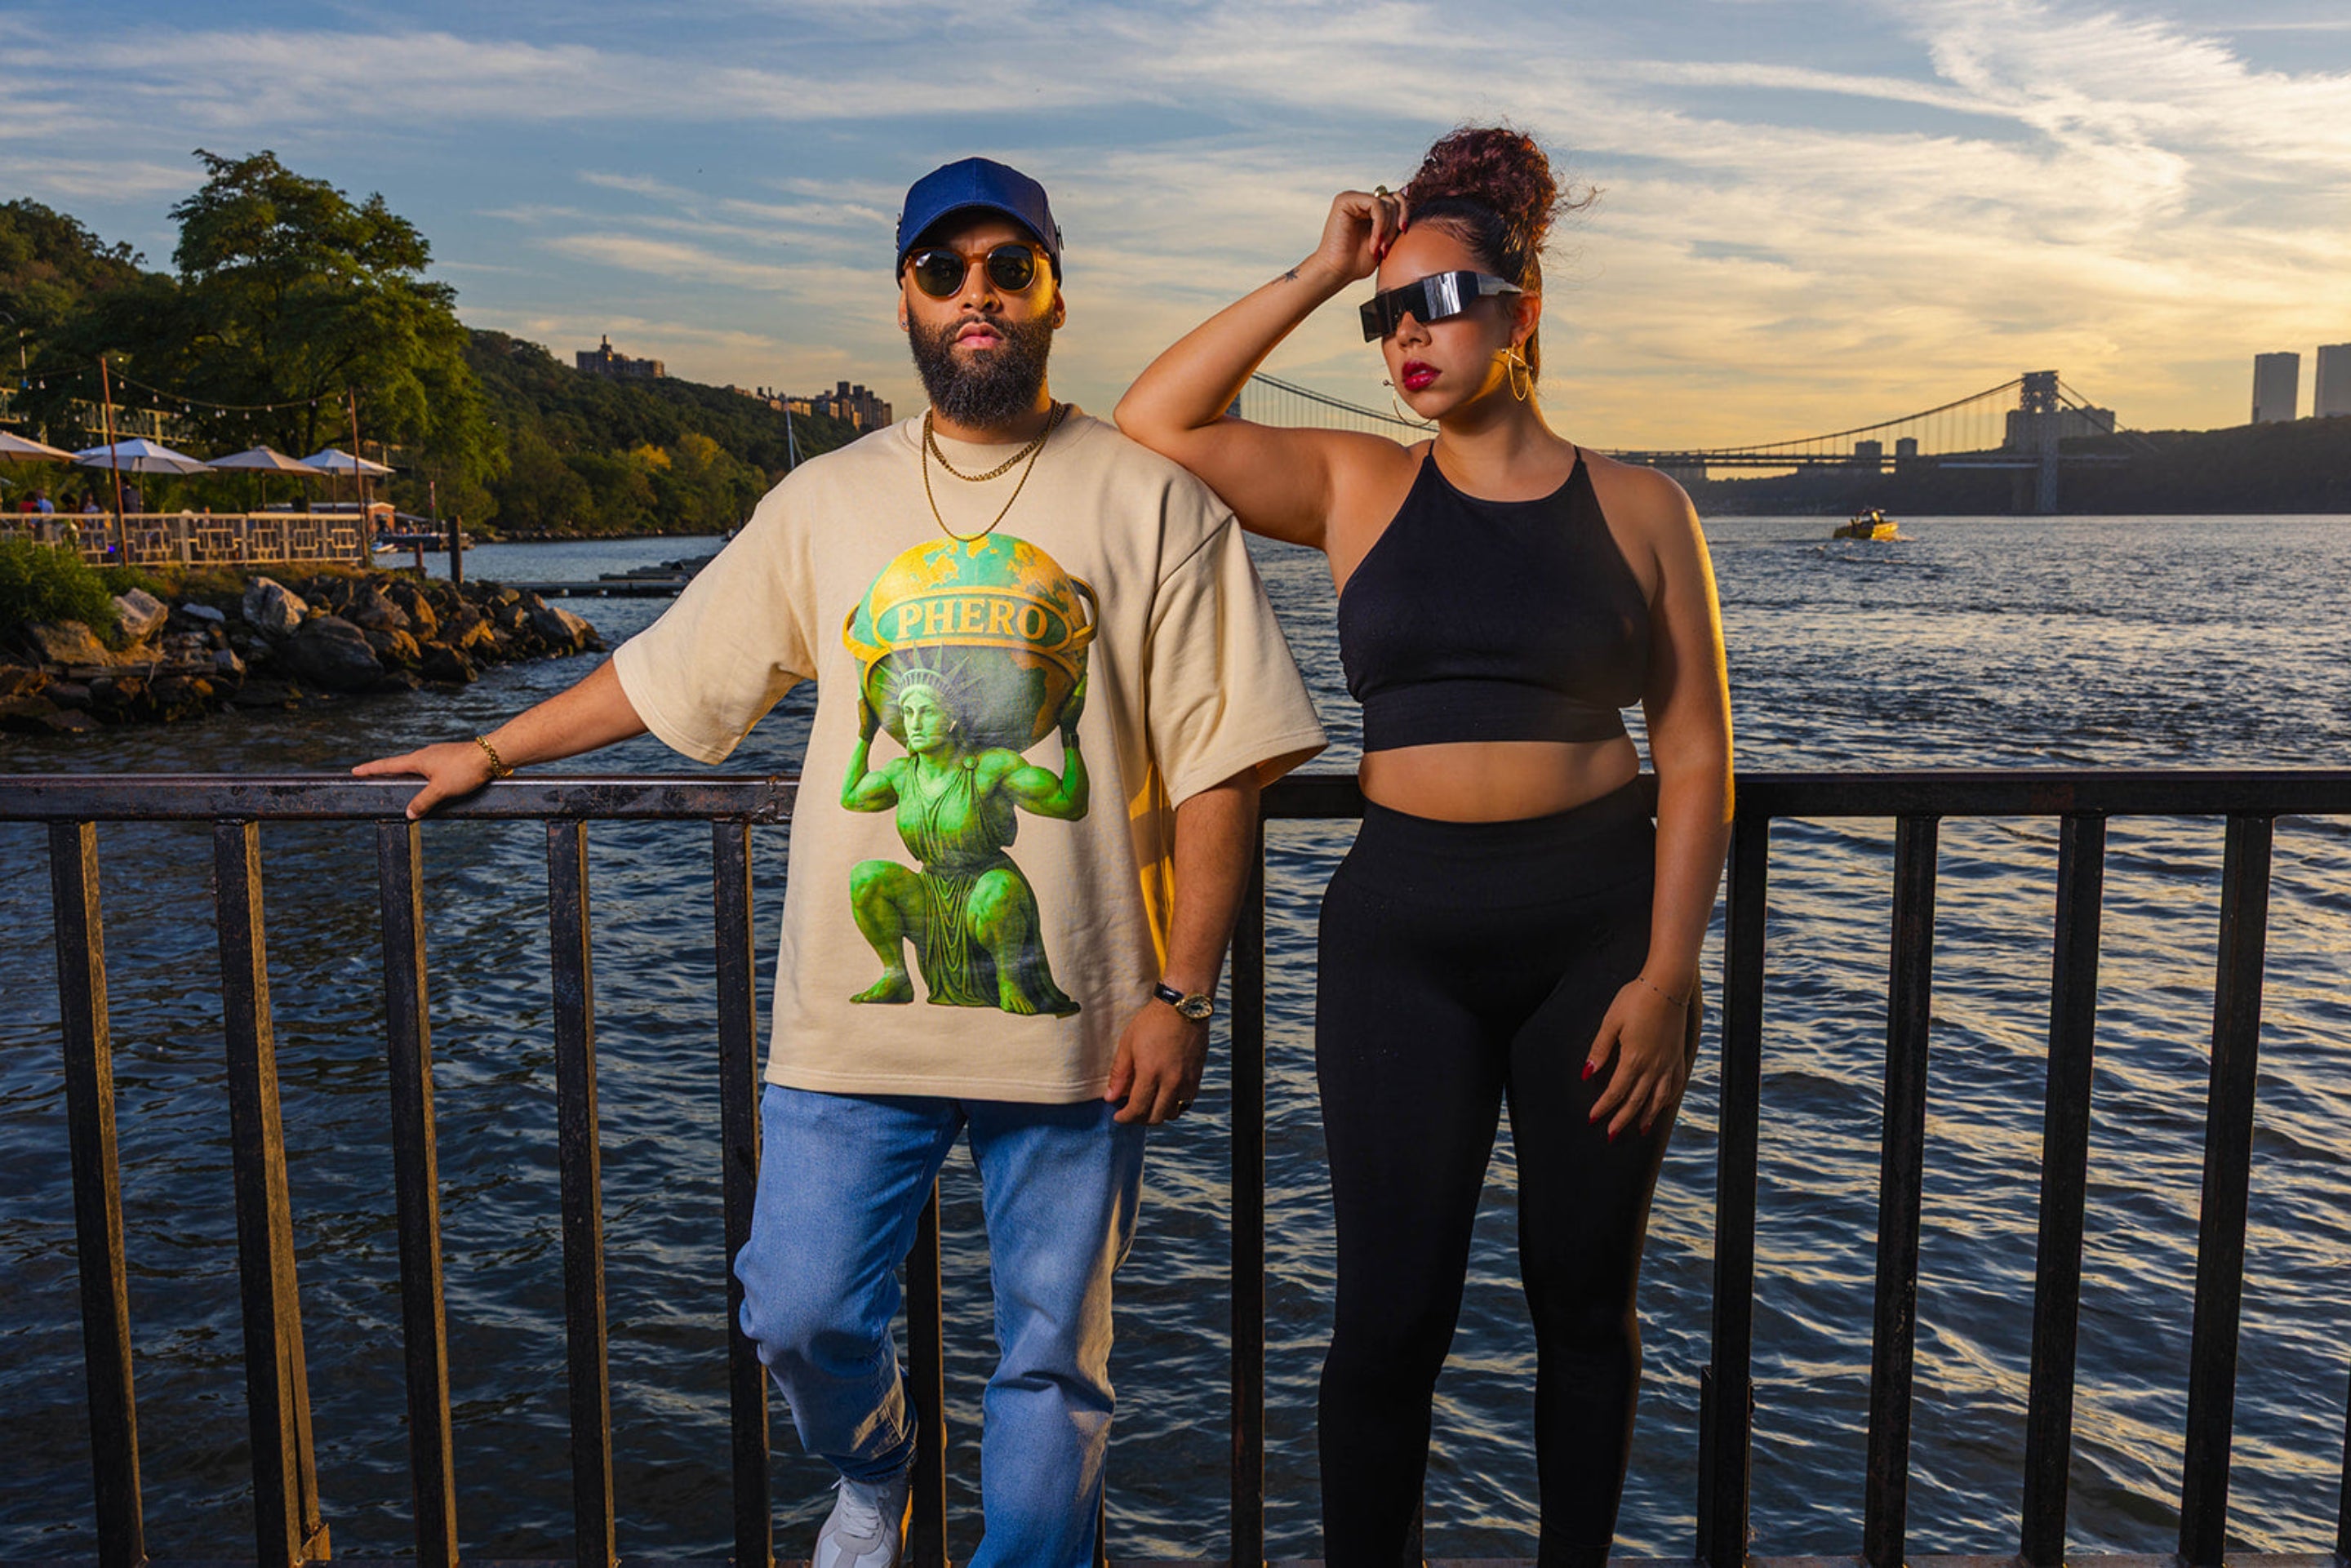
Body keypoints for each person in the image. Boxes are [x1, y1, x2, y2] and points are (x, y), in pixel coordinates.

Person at [357, 155, 1325, 1568]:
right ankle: (876, 1464)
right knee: (798, 1307)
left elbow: (1226, 762)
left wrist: (1183, 993)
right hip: (850, 1020)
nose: (977, 294)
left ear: (1056, 289)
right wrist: (493, 750)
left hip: (1085, 1025)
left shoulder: (1154, 498)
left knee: (1058, 1370)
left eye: (1009, 266)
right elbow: (669, 670)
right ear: (905, 300)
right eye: (947, 270)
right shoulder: (822, 501)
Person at [1116, 125, 1733, 1564]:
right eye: (1382, 314)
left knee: (1584, 1299)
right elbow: (1159, 419)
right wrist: (1322, 265)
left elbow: (1695, 744)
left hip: (1595, 933)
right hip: (1400, 935)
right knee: (1392, 1315)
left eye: (1435, 302)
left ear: (1522, 313)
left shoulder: (1646, 509)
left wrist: (1666, 972)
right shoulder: (1356, 485)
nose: (1403, 335)